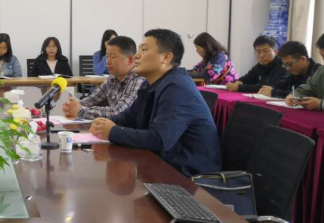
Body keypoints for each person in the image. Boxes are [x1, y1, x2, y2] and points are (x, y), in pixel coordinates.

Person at [88, 29, 222, 177]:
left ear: (166, 57)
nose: (136, 55)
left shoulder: (177, 87)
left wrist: (112, 131)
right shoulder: (151, 83)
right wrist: (103, 123)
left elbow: (159, 139)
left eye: (144, 49)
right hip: (162, 166)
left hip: (191, 178)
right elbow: (129, 117)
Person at [63, 36, 145, 120]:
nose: (108, 62)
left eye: (113, 57)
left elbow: (119, 112)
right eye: (107, 56)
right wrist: (72, 105)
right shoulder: (113, 77)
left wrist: (79, 111)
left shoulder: (138, 79)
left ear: (130, 60)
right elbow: (93, 99)